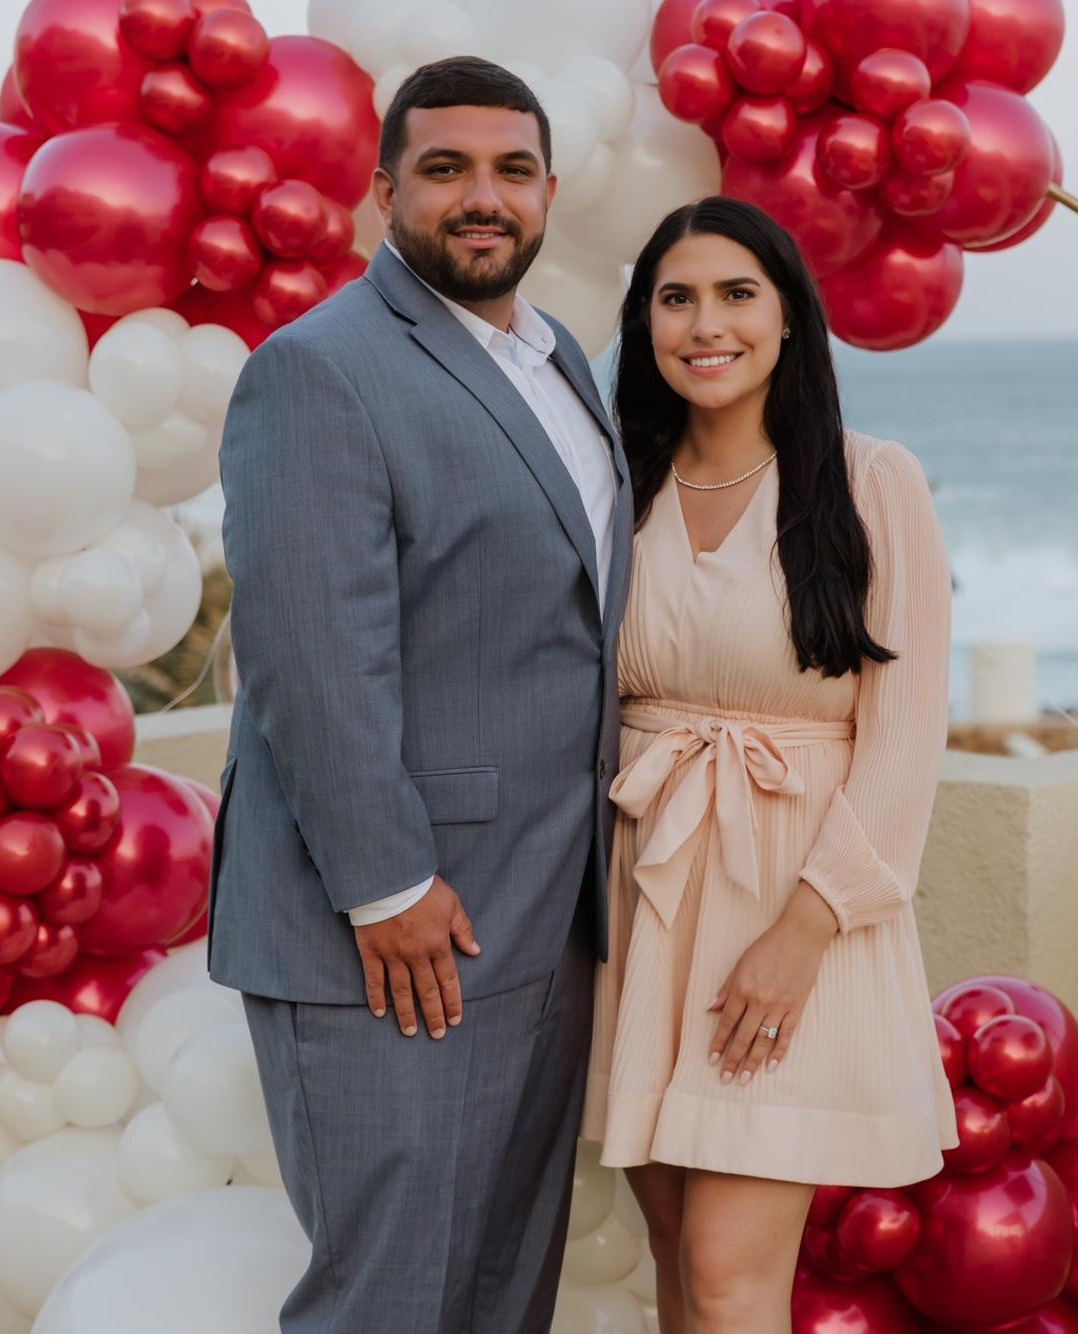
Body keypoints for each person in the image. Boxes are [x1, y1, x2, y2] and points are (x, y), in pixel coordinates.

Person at [209, 57, 631, 1333]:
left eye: (511, 170)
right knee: (388, 1299)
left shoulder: (557, 359)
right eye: (444, 169)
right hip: (396, 931)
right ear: (386, 193)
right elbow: (307, 652)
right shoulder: (318, 368)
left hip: (543, 913)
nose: (481, 196)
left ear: (547, 192)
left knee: (501, 1292)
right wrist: (385, 885)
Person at [581, 196, 959, 1332]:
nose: (707, 324)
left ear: (789, 315)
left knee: (728, 1270)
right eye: (677, 298)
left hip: (798, 908)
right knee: (675, 1255)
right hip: (643, 895)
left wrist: (803, 930)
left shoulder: (870, 480)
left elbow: (906, 734)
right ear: (644, 322)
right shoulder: (614, 486)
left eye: (737, 293)